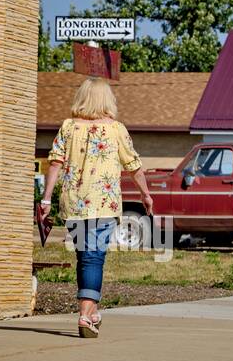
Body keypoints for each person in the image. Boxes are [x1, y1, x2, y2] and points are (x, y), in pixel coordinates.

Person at [38, 77, 152, 338]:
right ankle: (84, 316)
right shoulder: (116, 129)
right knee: (94, 256)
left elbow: (54, 163)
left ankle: (92, 312)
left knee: (85, 256)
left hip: (74, 203)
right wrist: (146, 194)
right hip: (103, 203)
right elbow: (134, 165)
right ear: (107, 100)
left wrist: (46, 199)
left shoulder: (68, 127)